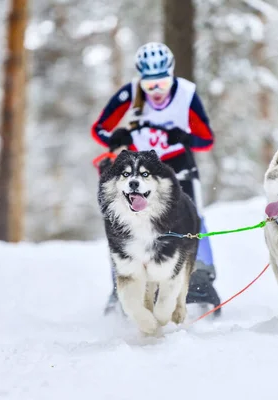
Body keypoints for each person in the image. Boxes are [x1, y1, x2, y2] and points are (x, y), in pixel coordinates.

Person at [90, 42, 222, 316]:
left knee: (193, 217)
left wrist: (185, 137)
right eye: (150, 86)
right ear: (141, 80)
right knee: (125, 223)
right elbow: (100, 129)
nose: (157, 91)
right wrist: (119, 137)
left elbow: (206, 139)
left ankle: (199, 276)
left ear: (171, 75)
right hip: (140, 170)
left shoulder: (186, 93)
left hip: (178, 167)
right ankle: (122, 282)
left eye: (162, 83)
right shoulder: (130, 93)